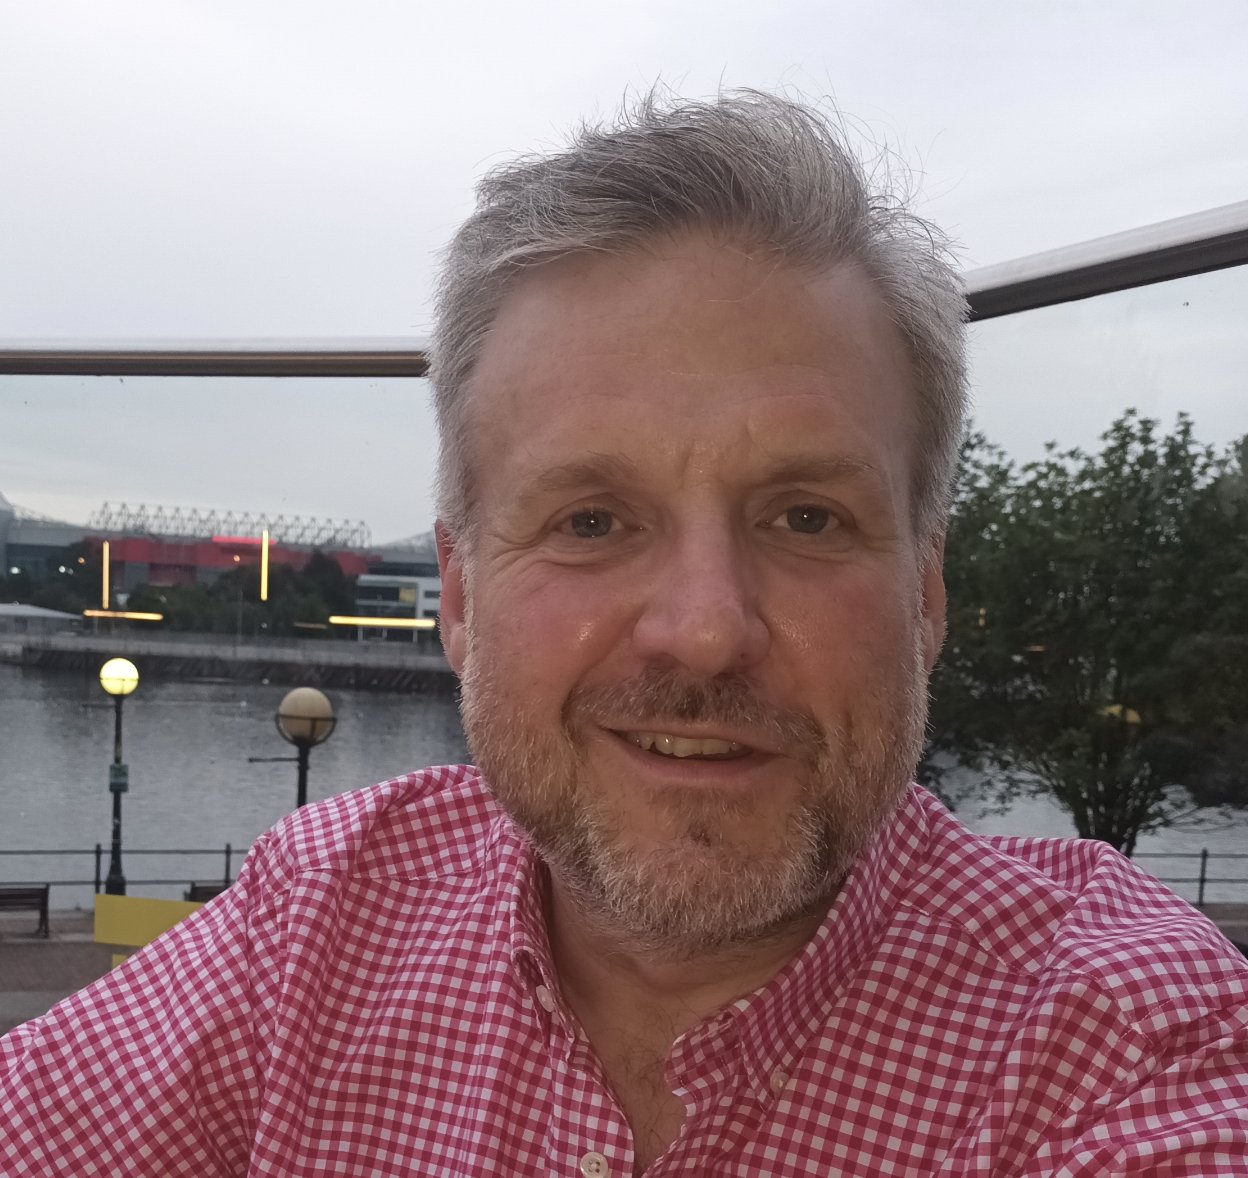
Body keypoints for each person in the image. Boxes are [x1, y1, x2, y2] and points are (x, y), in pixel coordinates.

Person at [3, 91, 1248, 1177]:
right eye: (592, 518)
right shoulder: (329, 910)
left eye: (807, 515)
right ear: (461, 595)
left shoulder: (1128, 1048)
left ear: (924, 594)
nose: (704, 629)